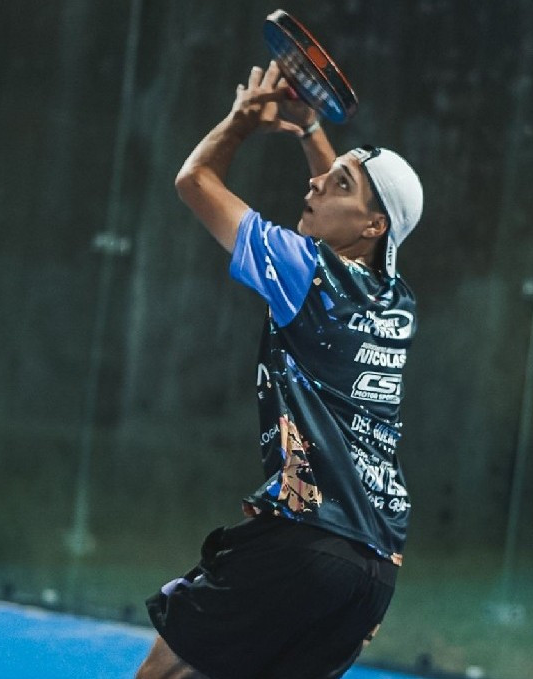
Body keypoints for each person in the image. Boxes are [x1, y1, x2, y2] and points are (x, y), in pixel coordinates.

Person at [136, 61, 423, 679]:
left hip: (304, 546)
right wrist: (309, 129)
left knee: (163, 674)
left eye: (338, 185)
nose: (315, 185)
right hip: (373, 572)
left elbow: (194, 181)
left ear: (373, 226)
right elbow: (353, 206)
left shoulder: (305, 270)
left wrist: (240, 122)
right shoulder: (397, 301)